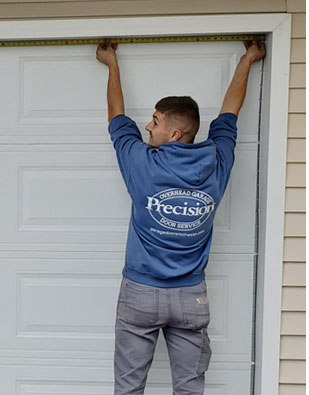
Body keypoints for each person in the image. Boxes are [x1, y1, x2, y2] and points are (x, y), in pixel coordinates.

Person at [95, 39, 264, 395]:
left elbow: (116, 116)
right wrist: (248, 59)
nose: (146, 127)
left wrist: (112, 66)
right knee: (189, 389)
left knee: (128, 388)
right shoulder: (218, 159)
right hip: (190, 297)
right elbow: (230, 113)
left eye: (154, 122)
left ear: (173, 133)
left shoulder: (140, 161)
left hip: (140, 292)